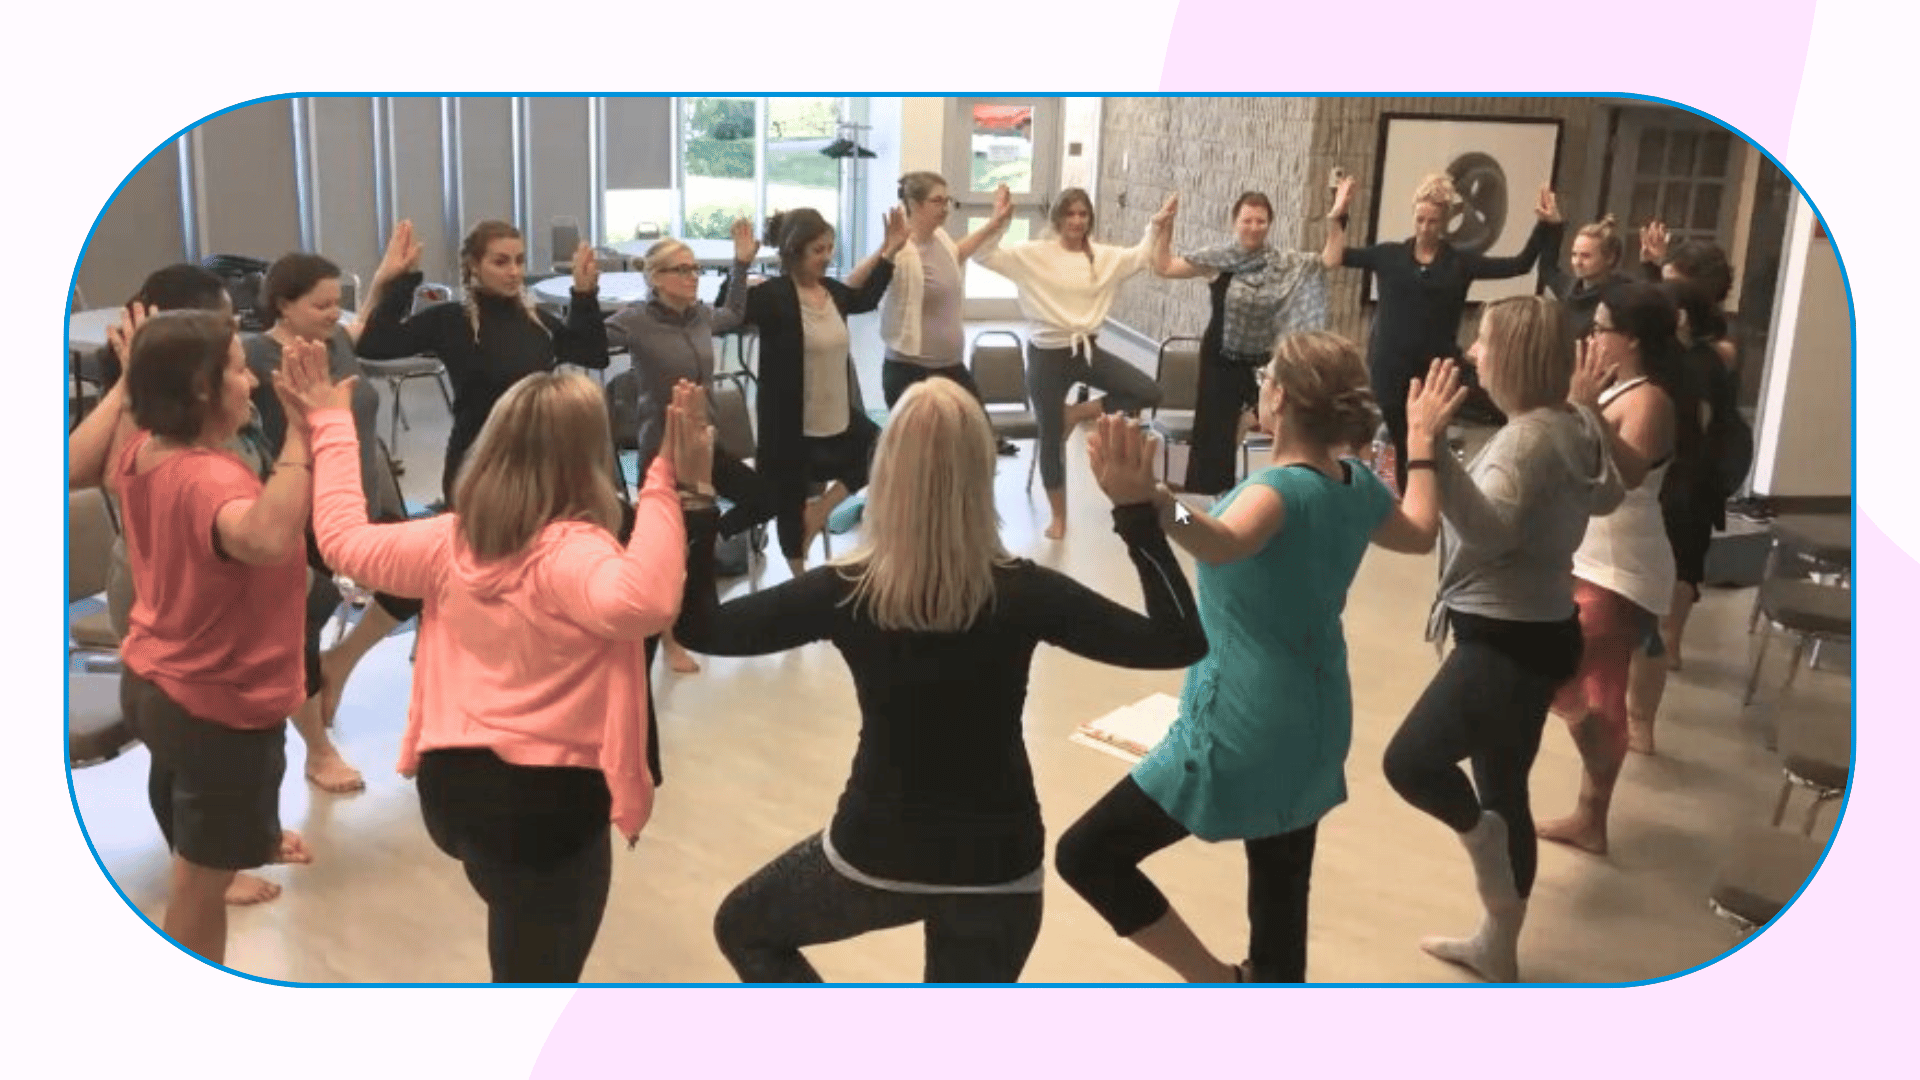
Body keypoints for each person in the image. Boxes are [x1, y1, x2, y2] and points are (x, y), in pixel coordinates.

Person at [671, 378, 1207, 983]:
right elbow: (1180, 641)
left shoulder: (846, 593)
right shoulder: (1023, 591)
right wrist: (1141, 511)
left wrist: (694, 498)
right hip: (999, 865)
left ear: (887, 470)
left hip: (877, 850)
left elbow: (702, 627)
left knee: (744, 928)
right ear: (981, 472)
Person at [1054, 336, 1463, 984]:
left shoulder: (1275, 491)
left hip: (1244, 726)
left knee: (1087, 855)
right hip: (1318, 718)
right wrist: (1421, 442)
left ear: (1278, 397)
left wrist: (1156, 505)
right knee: (1279, 895)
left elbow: (1220, 543)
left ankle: (1216, 982)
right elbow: (1418, 531)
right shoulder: (1354, 484)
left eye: (1267, 378)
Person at [284, 349, 689, 984]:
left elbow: (339, 539)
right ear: (589, 461)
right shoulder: (571, 553)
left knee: (519, 935)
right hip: (541, 806)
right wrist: (667, 482)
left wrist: (330, 426)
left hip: (453, 793)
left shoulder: (447, 540)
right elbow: (647, 601)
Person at [1381, 295, 1625, 983]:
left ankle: (1482, 844)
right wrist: (1584, 409)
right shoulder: (1568, 425)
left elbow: (1488, 532)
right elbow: (1605, 495)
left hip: (1506, 642)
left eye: (1483, 341)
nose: (1473, 353)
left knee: (1414, 763)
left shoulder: (1527, 439)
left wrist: (1430, 448)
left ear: (1514, 353)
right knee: (1504, 786)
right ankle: (1499, 944)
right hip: (1542, 629)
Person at [69, 310, 318, 965]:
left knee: (200, 846)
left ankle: (240, 837)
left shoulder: (146, 451)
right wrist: (304, 434)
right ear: (204, 389)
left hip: (159, 688)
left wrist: (135, 376)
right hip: (217, 708)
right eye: (238, 368)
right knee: (198, 887)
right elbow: (265, 538)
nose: (252, 383)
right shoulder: (208, 477)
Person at [1538, 283, 1687, 855]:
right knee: (1588, 686)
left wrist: (1587, 411)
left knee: (1577, 678)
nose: (1592, 337)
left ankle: (1592, 814)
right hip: (1592, 557)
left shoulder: (1650, 399)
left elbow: (1624, 473)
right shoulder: (1617, 388)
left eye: (1601, 328)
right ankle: (1589, 815)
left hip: (1622, 566)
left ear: (1631, 339)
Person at [606, 218, 774, 675]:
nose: (692, 276)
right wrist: (582, 299)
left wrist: (740, 265)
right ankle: (671, 637)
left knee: (761, 497)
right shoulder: (633, 322)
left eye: (695, 268)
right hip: (662, 452)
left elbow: (734, 313)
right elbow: (585, 344)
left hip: (705, 443)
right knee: (666, 549)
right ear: (656, 278)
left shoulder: (701, 315)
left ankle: (711, 553)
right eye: (681, 270)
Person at [1323, 172, 1563, 492]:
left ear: (1445, 221)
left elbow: (1519, 264)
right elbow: (1333, 258)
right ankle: (1412, 503)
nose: (1425, 227)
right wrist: (1339, 213)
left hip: (1435, 369)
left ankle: (1431, 503)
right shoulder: (1389, 256)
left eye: (1433, 221)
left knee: (1428, 442)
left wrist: (1547, 226)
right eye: (1420, 219)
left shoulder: (1459, 263)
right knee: (1401, 439)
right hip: (1389, 367)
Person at [355, 218, 610, 504]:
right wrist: (399, 281)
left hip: (535, 468)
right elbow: (373, 345)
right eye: (501, 262)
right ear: (474, 265)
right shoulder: (451, 321)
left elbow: (592, 354)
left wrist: (585, 295)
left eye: (519, 260)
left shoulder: (538, 322)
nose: (514, 271)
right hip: (475, 470)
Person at [972, 185, 1168, 539]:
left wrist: (1156, 225)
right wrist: (998, 222)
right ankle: (1059, 516)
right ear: (1058, 218)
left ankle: (1075, 413)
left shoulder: (1102, 257)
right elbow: (983, 256)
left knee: (1148, 391)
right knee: (1050, 436)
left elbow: (1141, 256)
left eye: (1083, 215)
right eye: (1070, 214)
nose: (1077, 221)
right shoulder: (1033, 254)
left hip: (1086, 352)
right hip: (1047, 356)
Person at [742, 206, 905, 576]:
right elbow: (729, 308)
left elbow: (865, 298)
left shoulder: (831, 293)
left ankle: (821, 510)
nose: (827, 257)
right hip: (791, 426)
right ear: (794, 251)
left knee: (885, 447)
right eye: (818, 250)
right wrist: (740, 268)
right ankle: (799, 579)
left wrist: (890, 250)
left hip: (837, 417)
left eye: (830, 248)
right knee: (789, 500)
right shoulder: (773, 296)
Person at [1149, 191, 1330, 494]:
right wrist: (1165, 226)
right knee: (1213, 443)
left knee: (1292, 411)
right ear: (1235, 222)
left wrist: (1338, 215)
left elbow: (1329, 260)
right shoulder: (1219, 260)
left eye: (1261, 221)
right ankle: (1199, 511)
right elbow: (1164, 266)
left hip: (1261, 362)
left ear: (1269, 224)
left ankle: (1279, 481)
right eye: (1247, 220)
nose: (1254, 226)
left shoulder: (1282, 264)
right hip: (1219, 359)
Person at [1642, 280, 1742, 686]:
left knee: (1682, 556)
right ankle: (1667, 637)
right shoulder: (1699, 356)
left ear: (1679, 318)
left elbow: (1697, 422)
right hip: (1692, 471)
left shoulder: (1697, 363)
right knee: (1683, 555)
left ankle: (1671, 638)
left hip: (1689, 474)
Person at [877, 171, 1016, 455]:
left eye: (947, 200)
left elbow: (956, 253)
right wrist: (887, 252)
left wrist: (995, 223)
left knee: (980, 440)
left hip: (951, 367)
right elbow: (868, 281)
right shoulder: (901, 251)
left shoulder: (939, 238)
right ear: (914, 205)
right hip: (911, 371)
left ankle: (961, 499)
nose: (944, 208)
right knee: (924, 456)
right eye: (937, 201)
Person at [1540, 212, 1635, 338]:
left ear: (1610, 258)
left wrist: (1654, 265)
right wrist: (1553, 226)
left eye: (1586, 256)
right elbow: (1547, 268)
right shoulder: (1569, 288)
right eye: (1574, 255)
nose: (1577, 262)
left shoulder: (1624, 295)